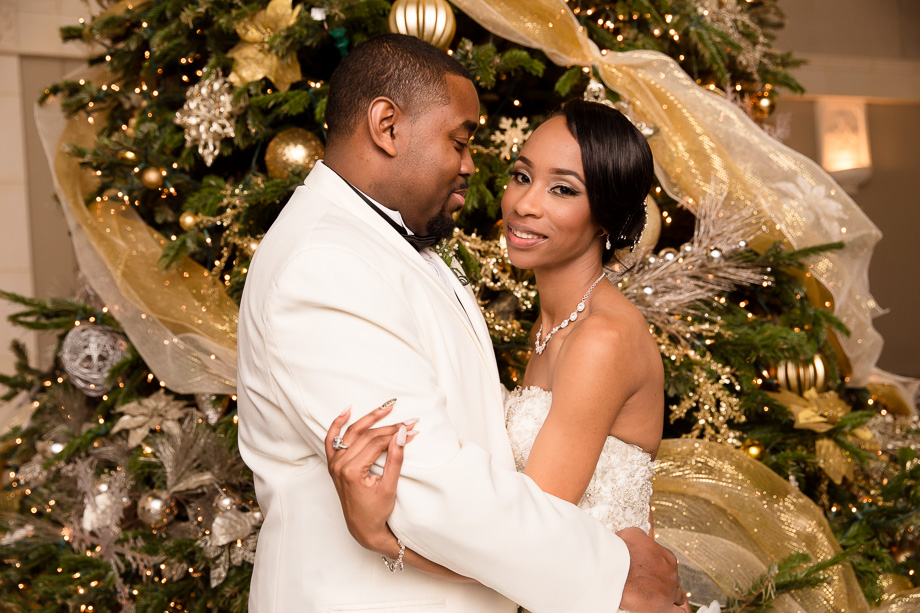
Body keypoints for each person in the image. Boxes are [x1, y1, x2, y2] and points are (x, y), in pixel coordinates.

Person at [236, 33, 682, 612]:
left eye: (563, 188)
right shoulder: (324, 264)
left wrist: (384, 536)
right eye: (459, 141)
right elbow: (432, 489)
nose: (474, 166)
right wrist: (614, 576)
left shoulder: (384, 245)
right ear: (387, 126)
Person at [325, 99, 696, 613]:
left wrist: (382, 538)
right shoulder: (551, 326)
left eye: (562, 189)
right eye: (522, 176)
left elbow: (528, 540)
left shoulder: (600, 338)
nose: (525, 203)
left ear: (606, 214)